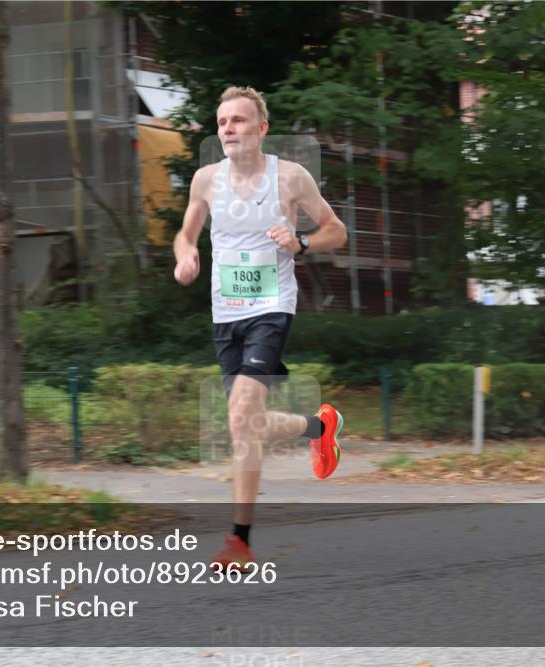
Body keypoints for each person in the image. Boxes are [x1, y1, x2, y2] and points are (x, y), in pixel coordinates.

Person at [173, 86, 349, 570]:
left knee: (243, 408)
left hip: (272, 307)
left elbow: (337, 230)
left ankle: (239, 541)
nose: (228, 128)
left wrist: (301, 242)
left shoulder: (289, 178)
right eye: (223, 121)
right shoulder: (206, 180)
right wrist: (185, 253)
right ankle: (319, 427)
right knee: (244, 424)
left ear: (261, 129)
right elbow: (185, 233)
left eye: (239, 121)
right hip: (225, 313)